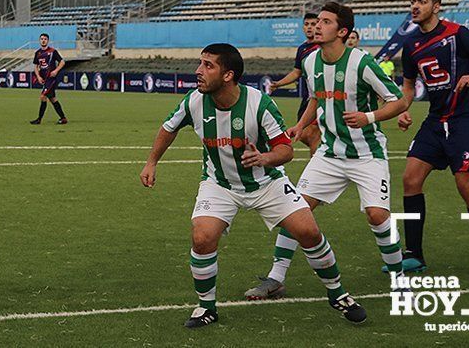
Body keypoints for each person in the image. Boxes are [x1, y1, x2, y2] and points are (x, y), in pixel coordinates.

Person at [140, 43, 366, 328]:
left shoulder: (259, 103)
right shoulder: (193, 101)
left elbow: (286, 151)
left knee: (308, 231)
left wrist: (264, 157)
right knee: (202, 237)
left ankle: (338, 294)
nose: (198, 71)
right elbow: (168, 129)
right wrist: (151, 162)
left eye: (208, 65)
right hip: (219, 184)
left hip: (266, 183)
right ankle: (206, 307)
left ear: (228, 75)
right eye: (200, 63)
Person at [246, 2, 410, 299]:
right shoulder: (310, 61)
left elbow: (398, 101)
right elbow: (315, 98)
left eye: (325, 21)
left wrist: (369, 117)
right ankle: (276, 278)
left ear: (343, 31)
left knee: (376, 215)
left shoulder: (361, 62)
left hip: (366, 155)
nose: (317, 25)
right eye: (317, 21)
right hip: (329, 155)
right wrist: (300, 125)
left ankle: (399, 279)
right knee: (296, 210)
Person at [394, 0, 469, 278]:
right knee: (410, 178)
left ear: (437, 6)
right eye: (412, 0)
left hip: (466, 120)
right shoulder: (412, 45)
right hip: (435, 119)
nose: (415, 6)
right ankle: (414, 255)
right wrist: (403, 108)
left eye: (422, 1)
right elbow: (408, 85)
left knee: (466, 184)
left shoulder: (457, 33)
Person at [269, 12, 320, 156]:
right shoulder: (302, 49)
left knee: (313, 135)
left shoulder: (322, 47)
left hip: (322, 96)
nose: (310, 27)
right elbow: (296, 72)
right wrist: (278, 84)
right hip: (308, 98)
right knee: (304, 134)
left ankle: (318, 172)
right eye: (306, 24)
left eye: (313, 24)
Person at [30, 33, 67, 124]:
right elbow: (35, 66)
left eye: (45, 39)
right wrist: (38, 76)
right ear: (39, 40)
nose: (43, 40)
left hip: (51, 79)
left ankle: (39, 119)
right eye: (42, 39)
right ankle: (63, 118)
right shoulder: (37, 53)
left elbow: (62, 62)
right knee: (52, 98)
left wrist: (56, 71)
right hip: (44, 79)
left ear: (48, 41)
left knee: (43, 96)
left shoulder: (52, 51)